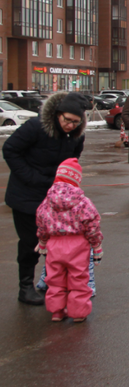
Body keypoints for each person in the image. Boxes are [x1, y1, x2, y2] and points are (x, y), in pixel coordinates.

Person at [3, 92, 90, 305]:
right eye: (66, 120)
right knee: (31, 242)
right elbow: (10, 149)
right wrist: (33, 178)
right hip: (26, 196)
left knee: (57, 242)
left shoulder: (76, 134)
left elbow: (73, 158)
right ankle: (25, 287)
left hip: (55, 198)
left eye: (75, 122)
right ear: (57, 114)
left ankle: (54, 283)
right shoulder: (36, 127)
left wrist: (65, 180)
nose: (70, 125)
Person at [35, 159, 103, 323]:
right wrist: (96, 245)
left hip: (54, 244)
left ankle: (56, 311)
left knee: (55, 279)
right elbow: (92, 224)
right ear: (77, 179)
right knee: (79, 279)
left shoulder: (48, 201)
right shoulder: (83, 202)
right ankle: (78, 312)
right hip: (78, 245)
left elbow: (41, 222)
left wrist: (43, 242)